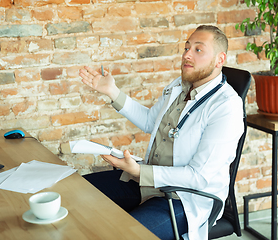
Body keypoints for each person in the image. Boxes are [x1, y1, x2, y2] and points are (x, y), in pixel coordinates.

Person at [79, 25, 244, 240]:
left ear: (220, 59)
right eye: (186, 48)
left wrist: (140, 172)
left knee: (122, 235)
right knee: (78, 193)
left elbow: (199, 177)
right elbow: (150, 121)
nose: (187, 54)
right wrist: (112, 92)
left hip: (185, 198)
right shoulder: (180, 86)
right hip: (150, 182)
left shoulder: (226, 107)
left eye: (198, 50)